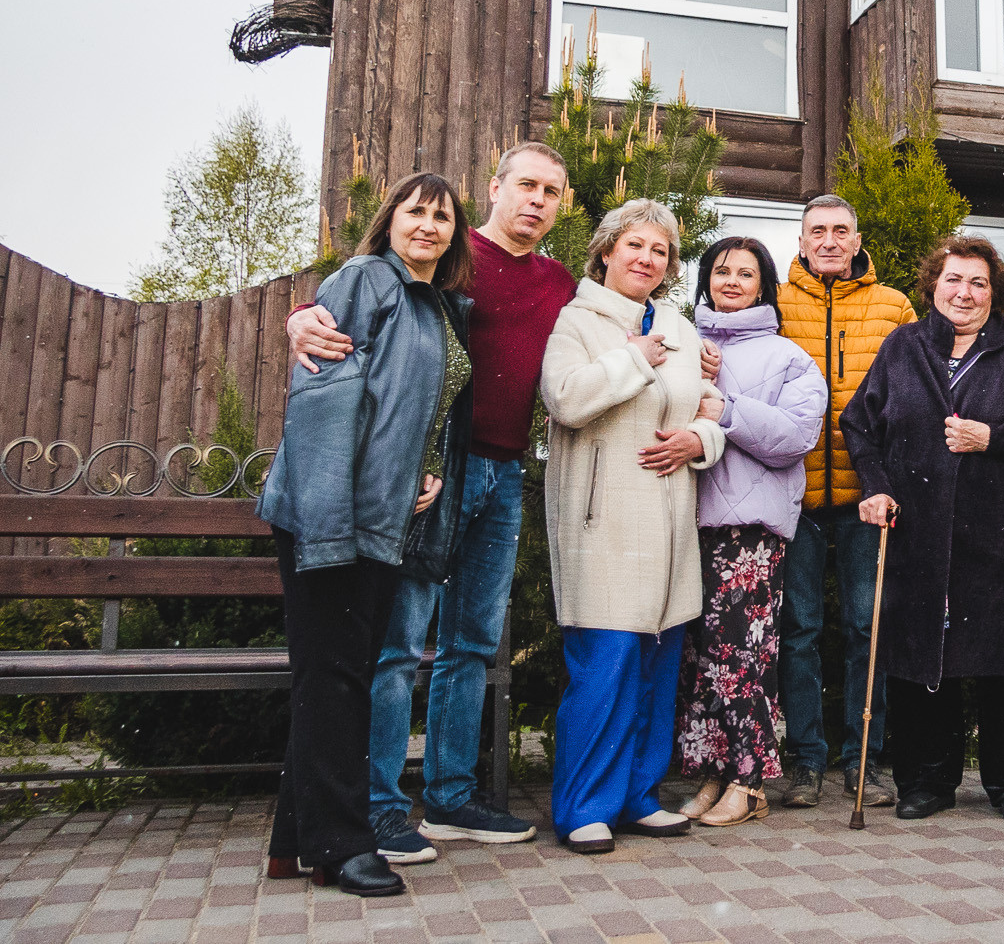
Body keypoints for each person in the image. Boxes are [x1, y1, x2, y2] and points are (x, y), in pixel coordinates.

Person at [287, 143, 577, 862]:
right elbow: (362, 302)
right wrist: (301, 315)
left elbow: (615, 326)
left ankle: (451, 795)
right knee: (397, 643)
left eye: (552, 190)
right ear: (495, 188)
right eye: (526, 185)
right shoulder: (451, 255)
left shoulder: (558, 282)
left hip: (506, 474)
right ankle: (382, 804)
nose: (537, 200)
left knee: (472, 641)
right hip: (430, 474)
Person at [259, 173, 475, 897]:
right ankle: (341, 846)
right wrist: (327, 524)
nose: (430, 225)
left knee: (336, 672)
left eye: (444, 217)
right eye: (417, 211)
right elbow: (321, 401)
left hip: (382, 517)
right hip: (335, 516)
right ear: (389, 219)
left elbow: (420, 406)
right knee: (338, 675)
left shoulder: (432, 303)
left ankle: (295, 840)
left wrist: (430, 468)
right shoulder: (365, 279)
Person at [842, 235, 1004, 823]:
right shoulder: (903, 347)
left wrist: (991, 437)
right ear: (933, 286)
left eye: (978, 283)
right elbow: (858, 424)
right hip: (917, 528)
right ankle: (927, 780)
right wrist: (875, 485)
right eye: (953, 280)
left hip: (996, 529)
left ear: (996, 292)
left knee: (1002, 659)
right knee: (920, 654)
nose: (964, 292)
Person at [540, 199, 727, 854]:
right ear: (606, 251)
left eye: (660, 251)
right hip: (604, 520)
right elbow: (564, 399)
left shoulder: (676, 325)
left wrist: (697, 439)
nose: (648, 259)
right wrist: (636, 359)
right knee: (607, 662)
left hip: (671, 523)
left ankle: (637, 796)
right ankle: (584, 805)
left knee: (656, 660)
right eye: (636, 246)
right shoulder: (578, 320)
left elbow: (710, 409)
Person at [760, 194, 916, 809]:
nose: (828, 240)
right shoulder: (774, 301)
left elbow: (916, 396)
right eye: (816, 231)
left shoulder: (893, 306)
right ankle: (804, 760)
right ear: (800, 242)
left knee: (864, 629)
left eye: (840, 231)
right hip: (791, 495)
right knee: (797, 630)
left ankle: (865, 760)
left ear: (856, 242)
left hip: (865, 498)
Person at [676, 237, 827, 827]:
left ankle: (750, 780)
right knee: (703, 658)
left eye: (746, 273)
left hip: (750, 529)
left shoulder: (789, 358)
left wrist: (726, 406)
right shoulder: (682, 342)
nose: (732, 281)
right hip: (689, 522)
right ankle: (714, 772)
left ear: (765, 285)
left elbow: (794, 436)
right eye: (721, 271)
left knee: (744, 654)